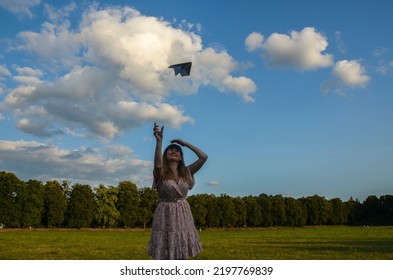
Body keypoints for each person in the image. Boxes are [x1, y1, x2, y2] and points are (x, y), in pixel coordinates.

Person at [148, 122, 208, 260]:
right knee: (165, 248)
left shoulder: (187, 171)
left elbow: (203, 157)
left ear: (181, 157)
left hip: (183, 212)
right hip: (165, 212)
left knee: (181, 250)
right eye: (170, 150)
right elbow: (157, 164)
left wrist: (184, 144)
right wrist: (159, 141)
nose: (174, 151)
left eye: (177, 150)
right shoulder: (161, 172)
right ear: (166, 155)